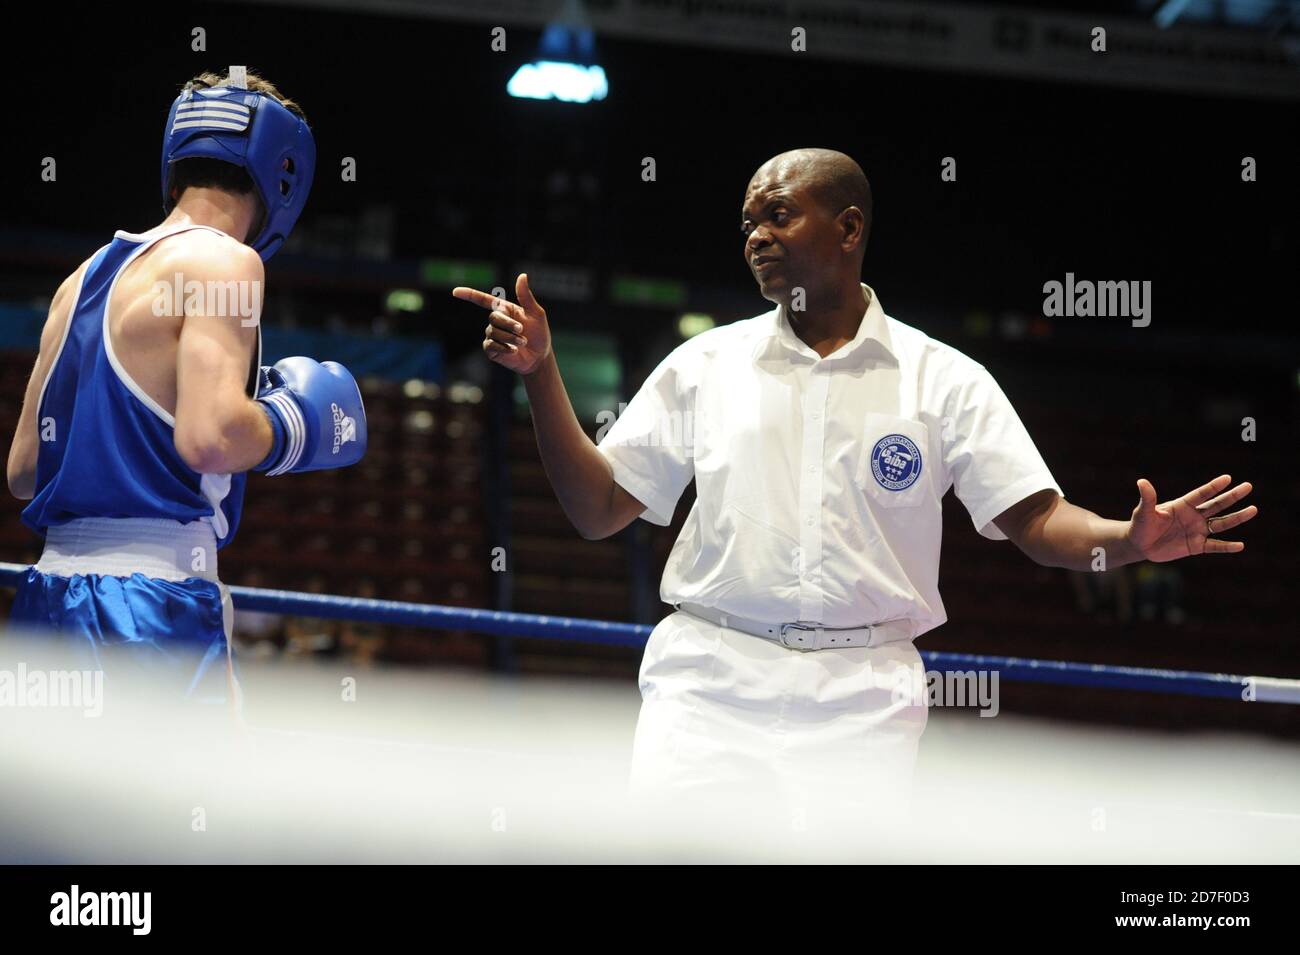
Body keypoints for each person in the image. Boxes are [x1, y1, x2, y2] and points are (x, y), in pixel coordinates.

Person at [452, 147, 1258, 821]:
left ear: (848, 229)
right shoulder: (704, 364)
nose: (756, 238)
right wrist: (541, 372)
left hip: (863, 703)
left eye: (777, 215)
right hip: (708, 687)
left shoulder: (944, 379)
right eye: (747, 225)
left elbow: (1040, 521)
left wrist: (1127, 541)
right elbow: (597, 511)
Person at [5, 68, 368, 705]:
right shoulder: (226, 260)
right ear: (285, 175)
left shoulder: (78, 281)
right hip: (151, 600)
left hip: (48, 595)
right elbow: (211, 439)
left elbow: (24, 472)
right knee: (181, 804)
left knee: (54, 804)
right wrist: (293, 424)